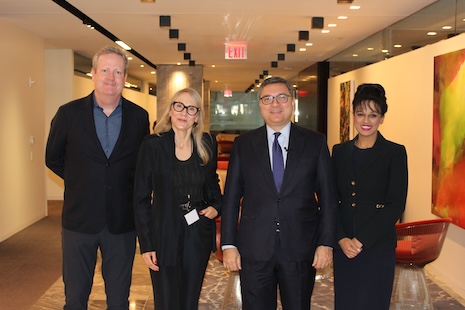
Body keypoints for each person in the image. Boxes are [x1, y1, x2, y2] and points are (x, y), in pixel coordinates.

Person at [45, 45, 150, 309]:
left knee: (118, 299)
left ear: (125, 78)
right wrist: (82, 181)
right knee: (76, 297)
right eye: (105, 70)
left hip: (122, 223)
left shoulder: (139, 117)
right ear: (92, 73)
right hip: (79, 222)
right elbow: (52, 158)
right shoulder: (68, 114)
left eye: (117, 72)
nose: (110, 77)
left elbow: (142, 165)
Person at [221, 76, 337, 310]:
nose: (275, 104)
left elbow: (328, 198)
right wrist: (228, 244)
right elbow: (231, 198)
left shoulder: (315, 142)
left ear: (292, 102)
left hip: (300, 247)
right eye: (268, 99)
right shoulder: (244, 145)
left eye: (282, 97)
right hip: (254, 248)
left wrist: (326, 243)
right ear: (260, 105)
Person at [133, 88, 222, 310]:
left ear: (197, 115)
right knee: (166, 300)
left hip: (197, 231)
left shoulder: (207, 142)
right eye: (179, 105)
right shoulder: (152, 144)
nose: (184, 112)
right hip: (164, 233)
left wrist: (216, 207)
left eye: (191, 108)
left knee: (189, 299)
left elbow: (213, 185)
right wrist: (146, 244)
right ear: (171, 110)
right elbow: (141, 198)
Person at [331, 83, 408, 310]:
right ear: (353, 114)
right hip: (344, 245)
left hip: (377, 245)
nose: (366, 120)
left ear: (382, 118)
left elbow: (396, 204)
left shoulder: (394, 152)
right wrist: (341, 238)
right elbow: (332, 200)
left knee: (374, 303)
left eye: (373, 115)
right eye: (361, 113)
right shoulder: (339, 151)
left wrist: (361, 239)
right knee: (346, 302)